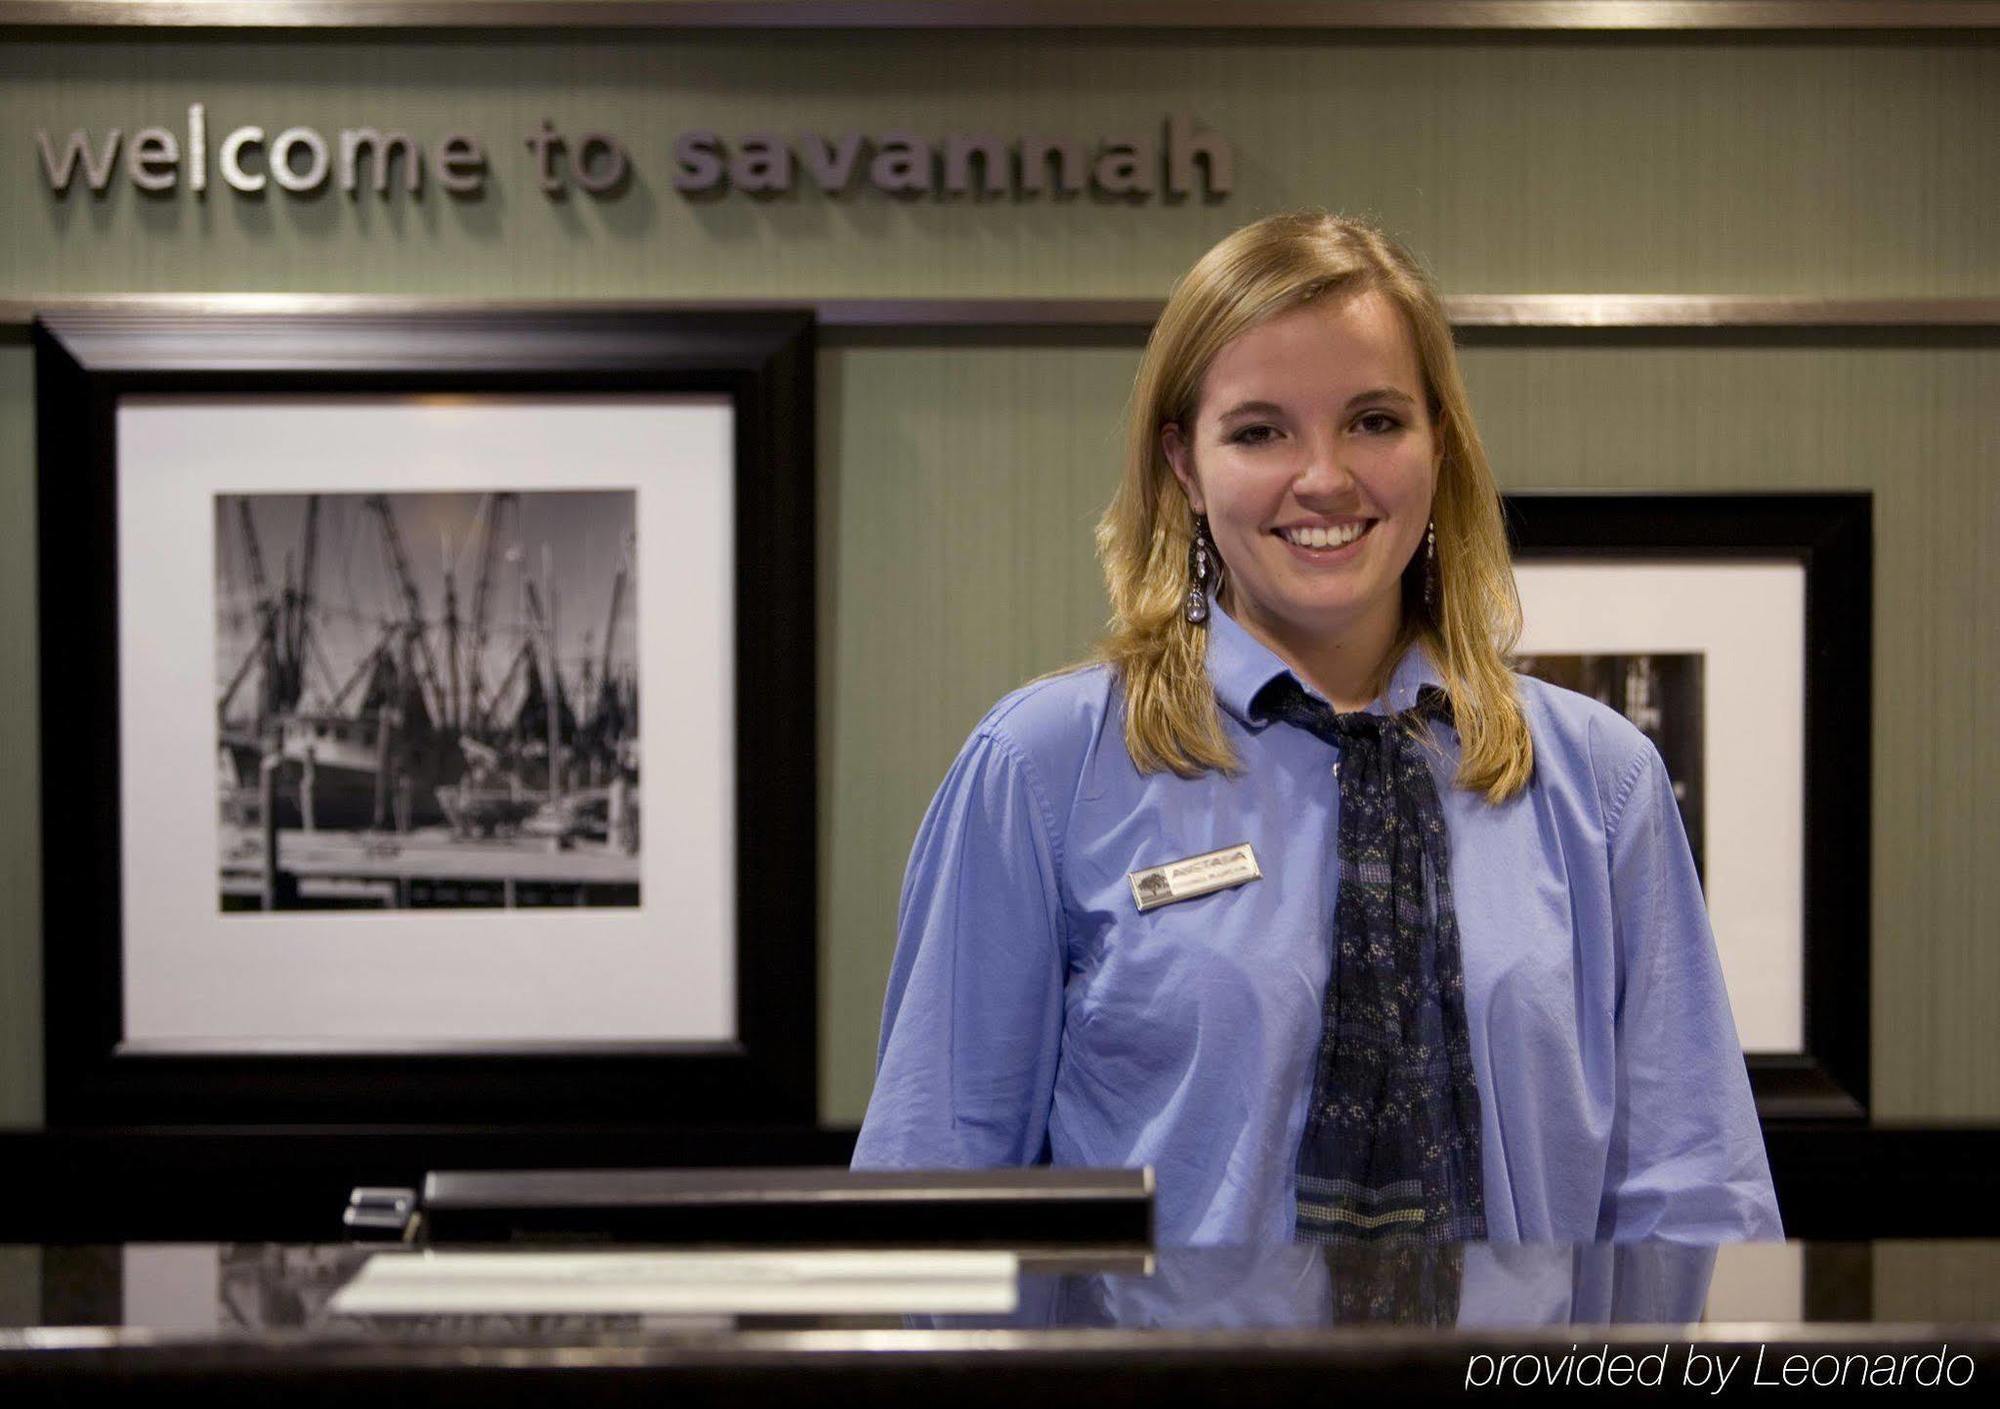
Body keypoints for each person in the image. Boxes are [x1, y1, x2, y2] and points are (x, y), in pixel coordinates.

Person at [852, 210, 1780, 1245]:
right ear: (1185, 468)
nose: (1325, 477)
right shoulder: (1039, 768)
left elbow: (1691, 1197)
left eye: (1374, 420)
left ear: (1439, 443)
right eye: (1259, 431)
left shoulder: (1600, 782)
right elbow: (932, 1198)